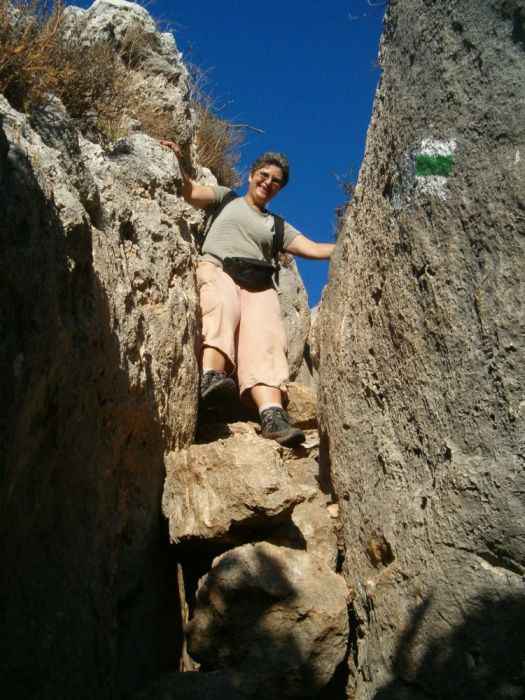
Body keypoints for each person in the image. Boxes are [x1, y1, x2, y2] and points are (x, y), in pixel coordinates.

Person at [160, 140, 335, 447]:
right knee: (219, 305)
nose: (268, 183)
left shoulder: (278, 227)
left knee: (266, 339)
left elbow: (316, 249)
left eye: (276, 182)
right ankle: (211, 378)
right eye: (264, 175)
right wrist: (178, 160)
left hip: (259, 284)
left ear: (279, 190)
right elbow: (189, 191)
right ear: (252, 174)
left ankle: (272, 415)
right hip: (219, 267)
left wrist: (353, 237)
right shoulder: (226, 198)